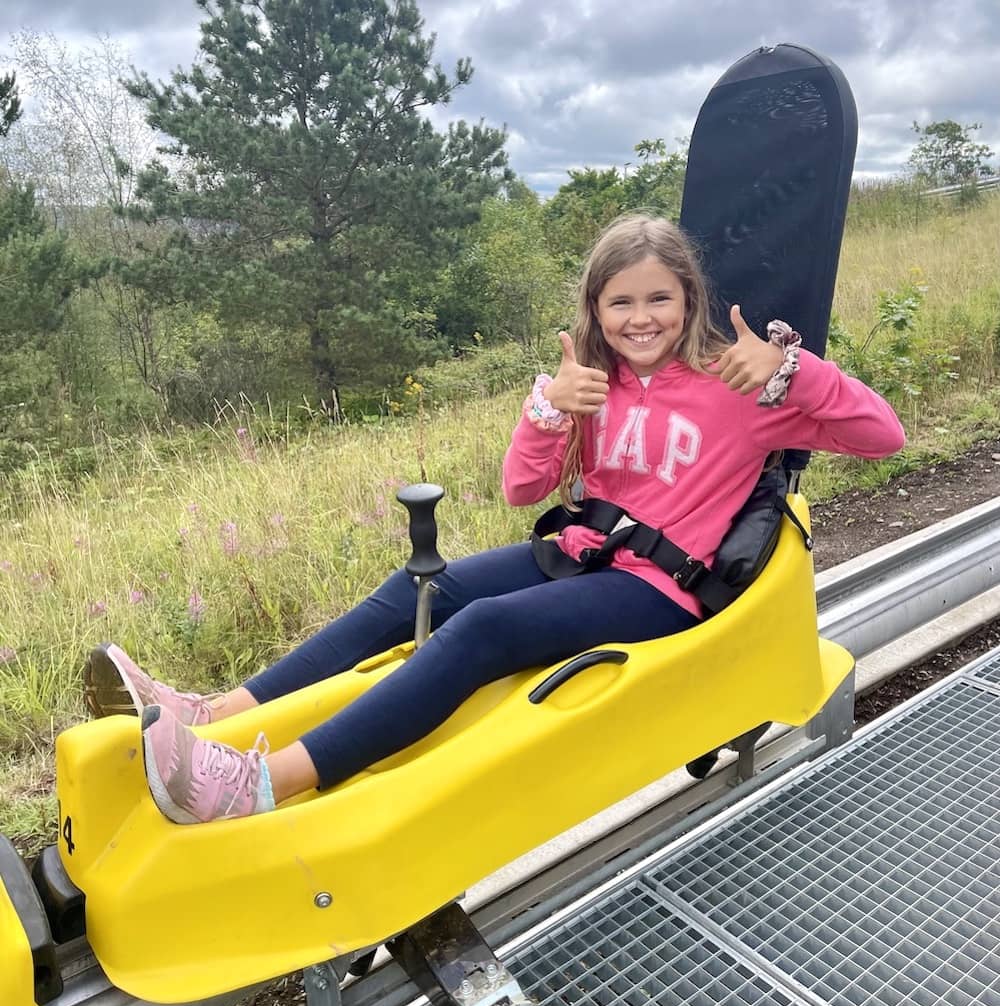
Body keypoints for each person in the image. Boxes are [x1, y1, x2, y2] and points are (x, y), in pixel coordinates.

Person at [85, 213, 905, 825]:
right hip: (585, 553)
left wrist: (793, 371)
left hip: (662, 589)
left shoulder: (740, 385)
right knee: (424, 589)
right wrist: (550, 411)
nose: (641, 317)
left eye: (660, 297)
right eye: (621, 301)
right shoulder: (591, 383)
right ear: (596, 307)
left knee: (481, 633)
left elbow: (883, 434)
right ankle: (222, 711)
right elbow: (523, 490)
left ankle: (263, 784)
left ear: (690, 299)